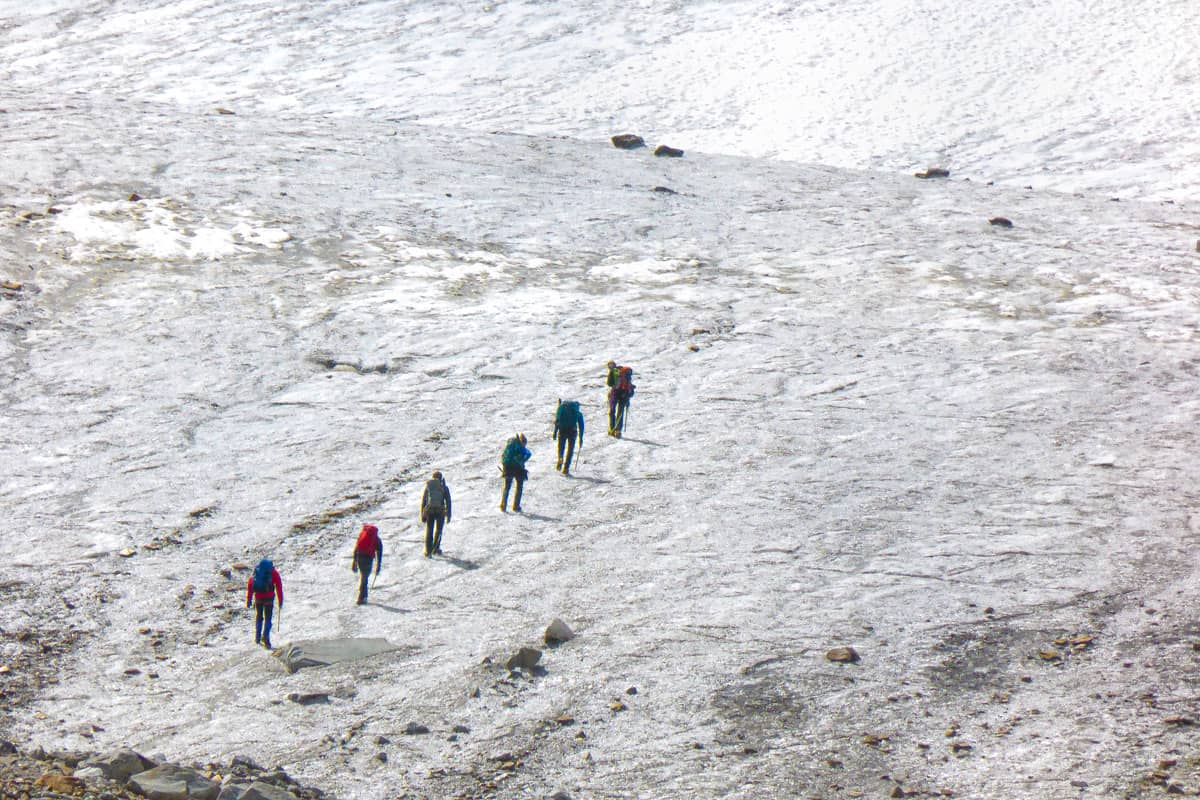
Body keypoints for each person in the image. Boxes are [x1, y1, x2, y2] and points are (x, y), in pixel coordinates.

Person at [246, 557, 283, 649]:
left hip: (258, 598)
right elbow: (279, 586)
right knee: (268, 618)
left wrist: (249, 599)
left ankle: (257, 637)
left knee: (259, 617)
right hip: (269, 599)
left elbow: (251, 584)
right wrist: (280, 600)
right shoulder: (273, 573)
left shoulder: (257, 572)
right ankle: (266, 638)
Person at [421, 471, 452, 557]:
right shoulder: (443, 487)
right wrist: (448, 515)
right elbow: (448, 502)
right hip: (440, 511)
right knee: (438, 530)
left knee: (429, 530)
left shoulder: (429, 486)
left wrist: (422, 515)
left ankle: (428, 551)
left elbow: (424, 501)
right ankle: (435, 548)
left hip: (430, 510)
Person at [351, 523, 382, 605]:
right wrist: (378, 567)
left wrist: (354, 562)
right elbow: (379, 554)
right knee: (365, 578)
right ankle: (361, 598)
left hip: (359, 557)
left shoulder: (362, 535)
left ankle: (363, 595)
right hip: (368, 559)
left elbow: (356, 547)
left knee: (363, 577)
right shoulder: (377, 540)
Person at [552, 399, 585, 476]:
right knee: (570, 450)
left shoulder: (562, 409)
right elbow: (581, 426)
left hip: (562, 430)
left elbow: (557, 421)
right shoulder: (578, 413)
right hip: (572, 431)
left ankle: (560, 458)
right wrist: (581, 438)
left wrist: (555, 432)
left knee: (561, 447)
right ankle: (566, 468)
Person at [500, 433, 530, 512]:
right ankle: (516, 506)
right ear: (523, 442)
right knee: (519, 487)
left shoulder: (510, 445)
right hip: (518, 469)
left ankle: (503, 505)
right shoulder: (520, 448)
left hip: (508, 468)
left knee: (507, 487)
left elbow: (503, 457)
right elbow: (528, 454)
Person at [606, 361, 635, 437]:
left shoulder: (614, 373)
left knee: (612, 411)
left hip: (615, 393)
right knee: (620, 412)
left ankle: (612, 429)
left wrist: (610, 373)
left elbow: (609, 383)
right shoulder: (625, 375)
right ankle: (618, 430)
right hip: (624, 395)